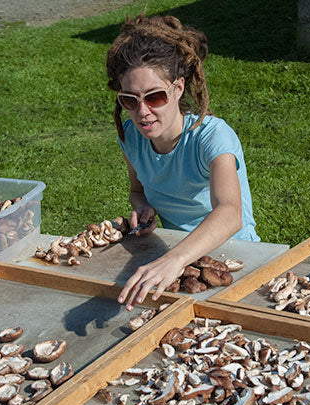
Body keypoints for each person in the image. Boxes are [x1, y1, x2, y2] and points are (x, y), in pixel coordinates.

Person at [107, 13, 259, 311]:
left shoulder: (212, 137)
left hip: (234, 256)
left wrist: (173, 259)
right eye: (130, 100)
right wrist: (142, 207)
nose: (143, 112)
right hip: (177, 259)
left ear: (177, 88)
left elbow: (230, 213)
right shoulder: (130, 137)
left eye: (155, 97)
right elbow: (137, 190)